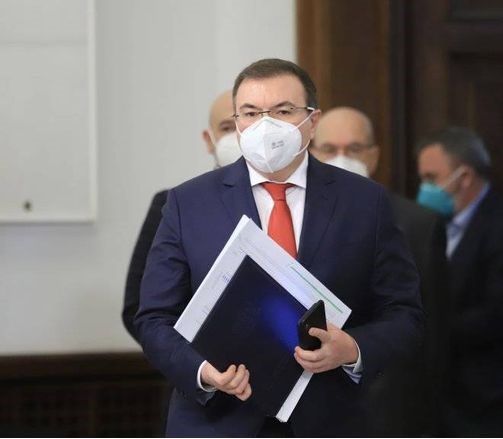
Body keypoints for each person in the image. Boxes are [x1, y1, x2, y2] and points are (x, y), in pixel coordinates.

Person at [134, 58, 424, 437]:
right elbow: (153, 318)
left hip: (329, 420)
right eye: (251, 113)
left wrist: (352, 348)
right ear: (237, 121)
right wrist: (204, 372)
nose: (265, 125)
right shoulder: (188, 204)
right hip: (218, 422)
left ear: (313, 121)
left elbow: (404, 313)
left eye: (283, 111)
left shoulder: (365, 202)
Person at [311, 106, 449, 436]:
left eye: (354, 149)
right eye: (329, 149)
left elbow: (432, 334)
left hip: (389, 412)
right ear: (312, 153)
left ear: (373, 156)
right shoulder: (289, 215)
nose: (342, 158)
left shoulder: (418, 224)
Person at [415, 126, 503, 436]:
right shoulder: (434, 228)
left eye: (431, 178)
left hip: (490, 399)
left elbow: (501, 313)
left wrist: (427, 333)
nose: (424, 189)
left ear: (464, 177)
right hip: (443, 397)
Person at [122, 90, 241, 342]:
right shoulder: (174, 205)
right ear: (209, 139)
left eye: (246, 124)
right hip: (197, 361)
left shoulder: (290, 201)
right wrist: (192, 359)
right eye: (227, 127)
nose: (238, 136)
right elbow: (138, 307)